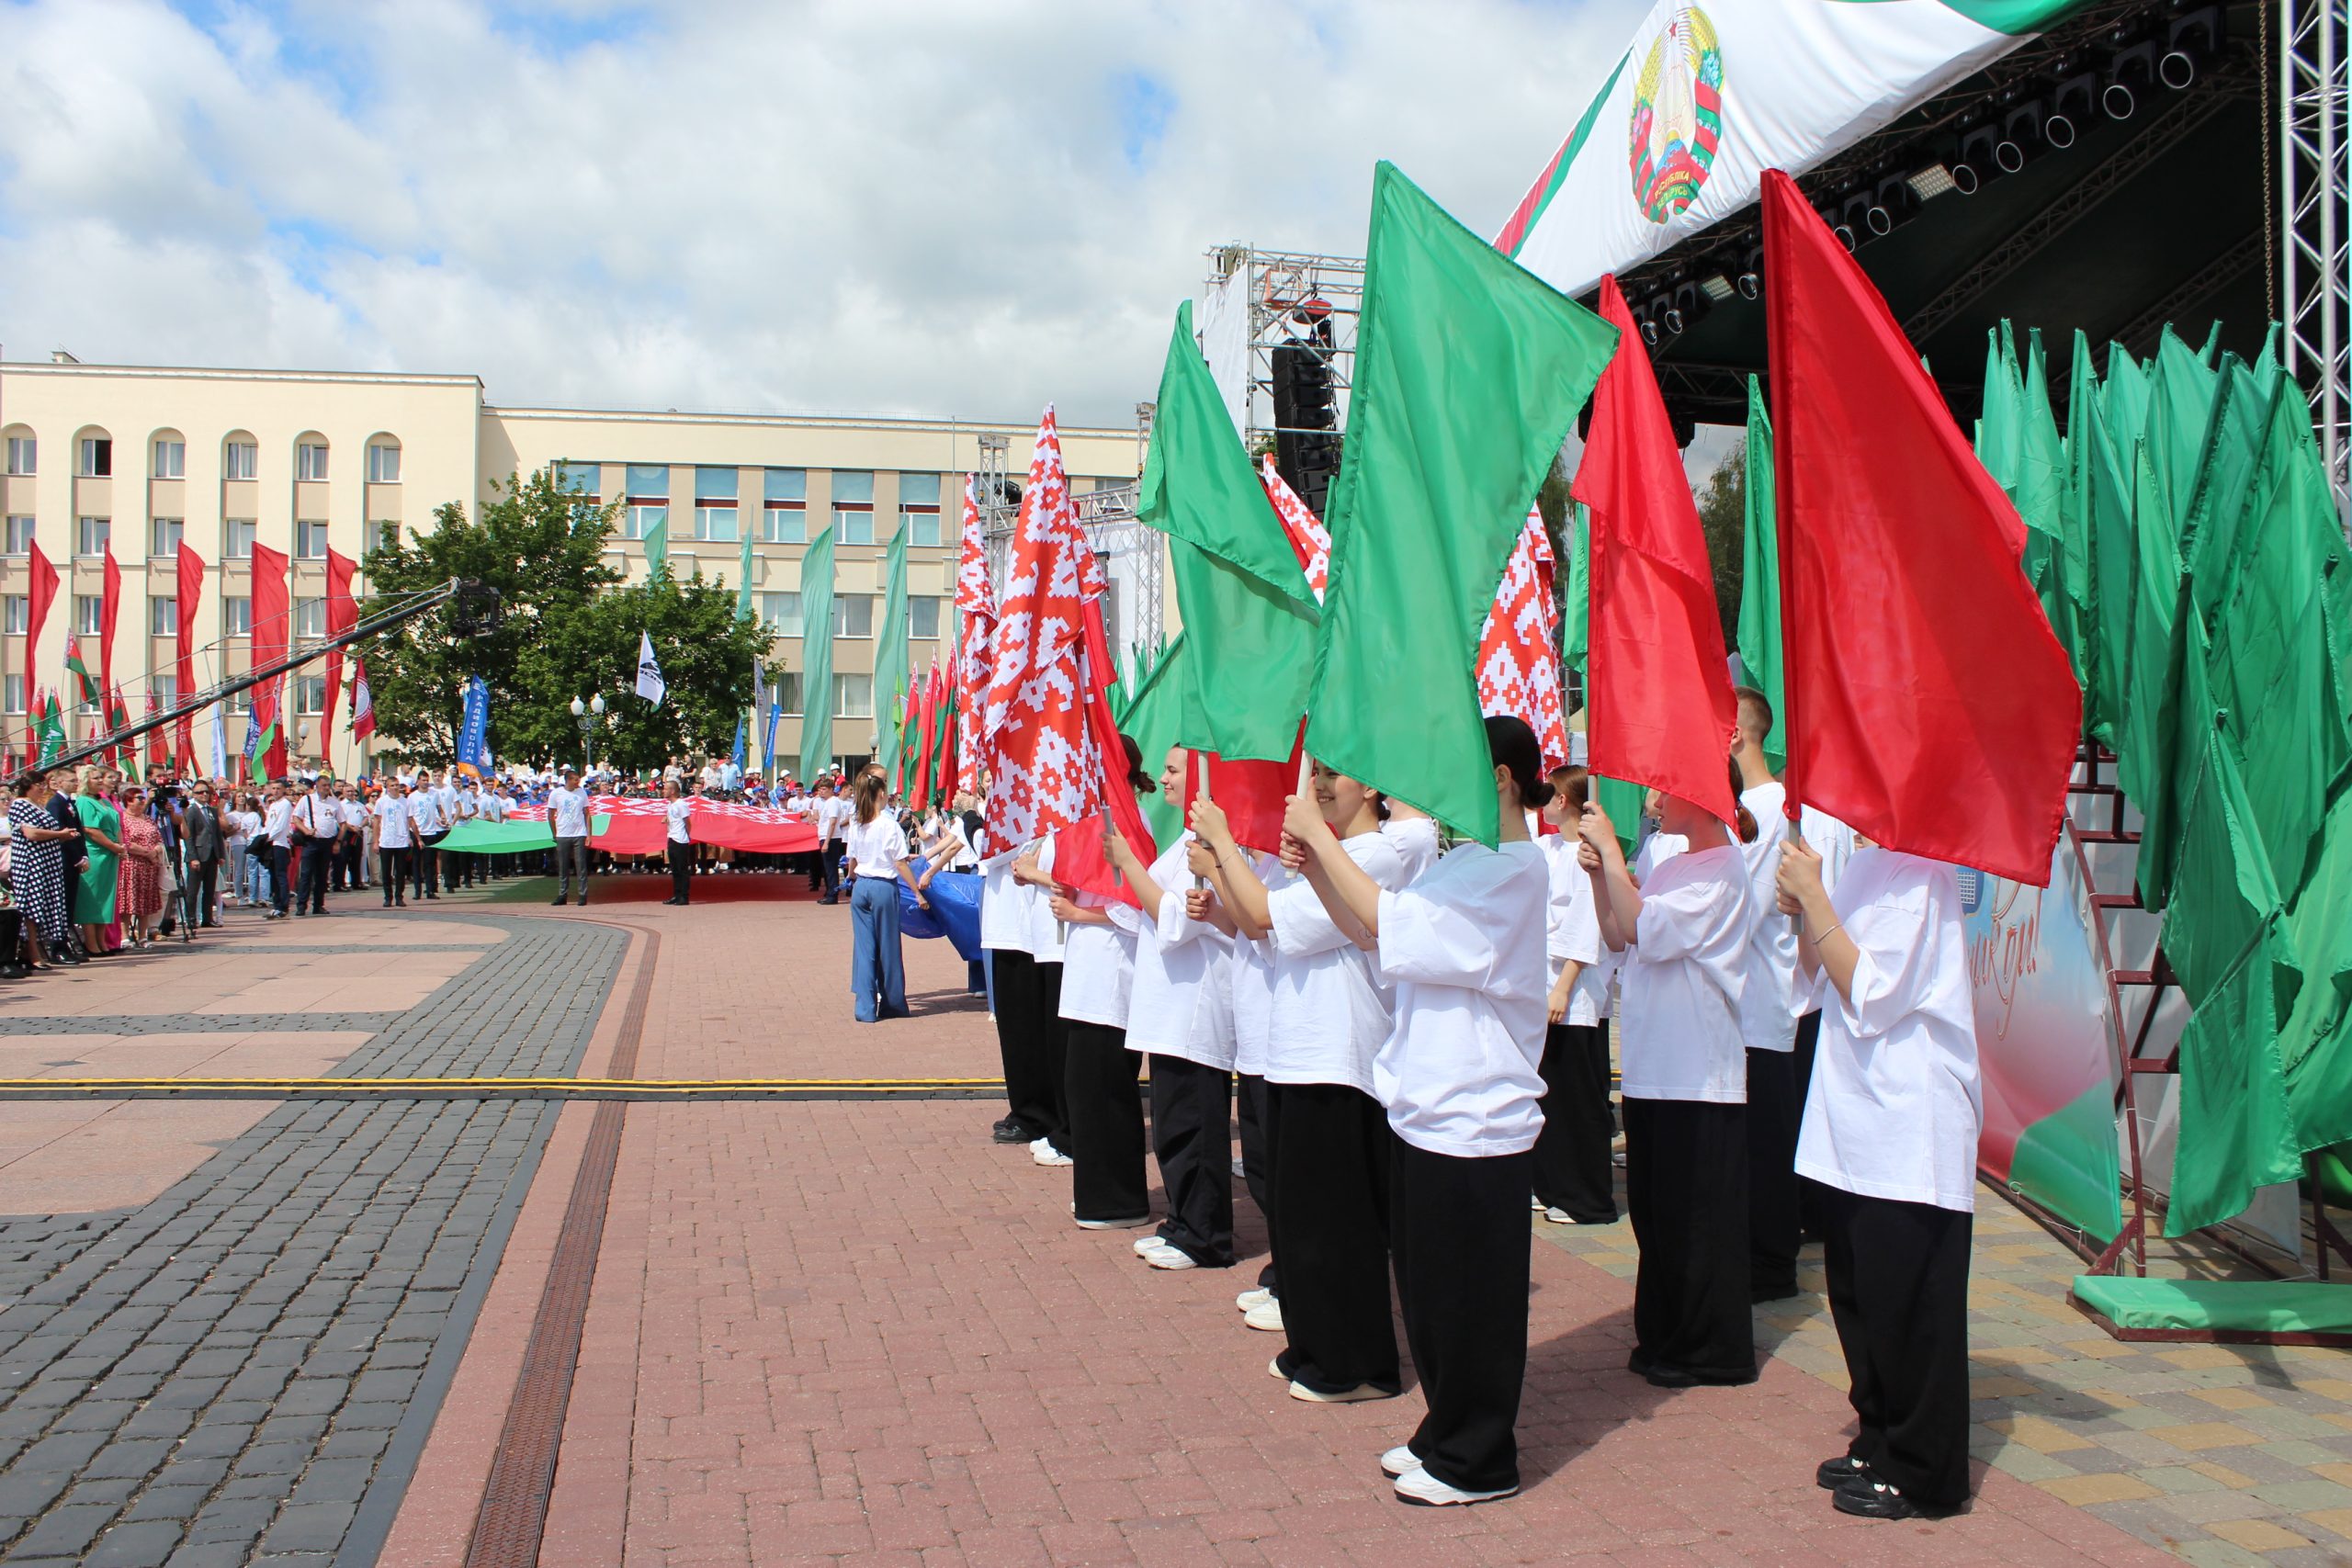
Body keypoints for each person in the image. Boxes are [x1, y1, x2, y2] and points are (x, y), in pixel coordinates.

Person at [1281, 715, 1552, 1506]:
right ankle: (1444, 1429)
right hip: (1425, 1105)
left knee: (1472, 1303)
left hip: (1478, 1115)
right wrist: (1323, 869)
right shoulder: (1460, 861)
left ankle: (1480, 1458)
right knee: (1431, 1295)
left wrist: (1325, 845)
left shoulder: (1517, 867)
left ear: (1500, 778)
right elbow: (1373, 931)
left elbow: (1405, 927)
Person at [1777, 833, 1980, 1521]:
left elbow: (1875, 990)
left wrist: (1814, 898)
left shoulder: (1924, 872)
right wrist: (1803, 912)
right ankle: (1879, 1436)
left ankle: (1925, 1471)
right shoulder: (1864, 865)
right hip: (1853, 1118)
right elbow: (1817, 976)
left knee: (1911, 1307)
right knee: (1861, 1299)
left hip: (1909, 1125)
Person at [1209, 761, 1419, 1402]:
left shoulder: (1377, 855)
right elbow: (1259, 923)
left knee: (1340, 1224)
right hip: (1297, 1050)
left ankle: (1358, 1364)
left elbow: (1269, 915)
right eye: (1317, 772)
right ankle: (1312, 1343)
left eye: (1337, 774)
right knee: (1301, 1218)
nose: (1322, 785)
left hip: (1343, 1056)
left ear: (1375, 784)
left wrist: (1221, 841)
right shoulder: (1327, 853)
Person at [1583, 756, 1758, 1391]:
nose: (1657, 793)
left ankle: (1712, 1347)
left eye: (1670, 783)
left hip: (1698, 1067)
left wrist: (1609, 853)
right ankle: (1664, 1332)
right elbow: (1618, 932)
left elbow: (1647, 925)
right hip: (1653, 1064)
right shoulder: (1665, 858)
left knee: (1698, 1216)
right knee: (1657, 1213)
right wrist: (1604, 877)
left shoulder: (1725, 865)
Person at [1105, 747, 1236, 1273]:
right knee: (1171, 1125)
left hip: (1195, 1008)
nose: (1164, 778)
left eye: (1175, 770)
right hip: (1167, 1007)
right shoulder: (1183, 841)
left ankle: (1207, 1236)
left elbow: (1176, 919)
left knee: (1196, 1127)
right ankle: (1183, 1224)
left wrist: (1129, 864)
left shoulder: (1210, 846)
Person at [1028, 736, 1156, 1230]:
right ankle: (1101, 1195)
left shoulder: (1125, 825)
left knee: (1105, 1091)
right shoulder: (1095, 824)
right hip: (1086, 981)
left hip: (1111, 981)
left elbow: (1134, 906)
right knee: (1086, 1089)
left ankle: (1120, 1199)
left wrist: (1079, 911)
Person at [1732, 688, 1803, 1301]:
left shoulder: (1771, 805)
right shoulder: (1746, 804)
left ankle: (1773, 1263)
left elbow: (1744, 909)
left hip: (1759, 1003)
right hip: (1740, 1006)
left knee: (1765, 1142)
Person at [1533, 766, 1620, 1225]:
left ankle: (1587, 1197)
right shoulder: (1545, 848)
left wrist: (1563, 986)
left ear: (1564, 801)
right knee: (1547, 1094)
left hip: (1574, 989)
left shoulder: (1585, 855)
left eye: (1549, 792)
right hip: (1538, 983)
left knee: (1577, 1098)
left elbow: (1586, 924)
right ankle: (1548, 1184)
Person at [842, 770, 926, 1020]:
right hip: (883, 886)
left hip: (862, 884)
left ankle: (865, 1007)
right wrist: (917, 892)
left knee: (864, 948)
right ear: (880, 794)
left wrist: (851, 878)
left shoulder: (858, 822)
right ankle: (892, 1003)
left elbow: (853, 859)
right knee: (888, 947)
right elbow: (900, 864)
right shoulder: (889, 825)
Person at [10, 773, 75, 966]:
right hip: (32, 863)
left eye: (43, 784)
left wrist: (63, 836)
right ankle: (32, 954)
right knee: (32, 908)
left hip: (47, 863)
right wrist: (59, 834)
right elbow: (31, 833)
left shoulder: (38, 805)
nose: (42, 788)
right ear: (27, 786)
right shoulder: (20, 804)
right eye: (38, 785)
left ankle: (36, 952)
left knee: (46, 906)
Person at [73, 767, 120, 958]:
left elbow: (116, 823)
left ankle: (103, 942)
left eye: (101, 777)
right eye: (96, 778)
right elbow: (90, 829)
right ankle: (91, 943)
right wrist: (113, 846)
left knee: (105, 900)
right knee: (92, 899)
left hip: (109, 853)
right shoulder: (84, 801)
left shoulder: (102, 800)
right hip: (96, 853)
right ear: (86, 780)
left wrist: (119, 846)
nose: (100, 780)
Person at [117, 787, 166, 946]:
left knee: (144, 903)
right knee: (128, 903)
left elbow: (159, 840)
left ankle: (143, 936)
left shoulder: (148, 819)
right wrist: (148, 853)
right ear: (128, 800)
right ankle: (124, 936)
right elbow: (126, 842)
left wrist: (155, 852)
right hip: (130, 864)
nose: (142, 801)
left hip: (149, 866)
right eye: (139, 798)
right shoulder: (122, 819)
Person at [293, 777, 340, 917]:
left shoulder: (334, 802)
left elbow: (342, 822)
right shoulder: (307, 800)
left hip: (327, 842)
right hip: (311, 841)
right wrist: (306, 830)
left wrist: (338, 841)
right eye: (323, 785)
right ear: (317, 786)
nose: (326, 788)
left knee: (322, 875)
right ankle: (301, 905)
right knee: (306, 874)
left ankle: (318, 905)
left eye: (327, 785)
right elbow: (296, 818)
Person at [182, 781, 224, 929]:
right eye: (200, 792)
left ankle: (208, 918)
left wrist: (220, 854)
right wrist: (193, 857)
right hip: (198, 855)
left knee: (209, 889)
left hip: (211, 855)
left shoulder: (212, 811)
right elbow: (189, 836)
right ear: (194, 795)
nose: (204, 795)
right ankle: (191, 918)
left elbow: (217, 834)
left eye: (207, 792)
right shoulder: (191, 811)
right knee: (193, 890)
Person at [549, 766, 593, 905]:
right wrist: (554, 833)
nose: (577, 783)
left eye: (578, 780)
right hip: (563, 833)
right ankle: (562, 895)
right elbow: (550, 815)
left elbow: (587, 813)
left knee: (581, 866)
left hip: (579, 833)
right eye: (575, 780)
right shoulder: (556, 794)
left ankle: (582, 895)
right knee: (563, 866)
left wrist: (589, 834)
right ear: (568, 780)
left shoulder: (582, 793)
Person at [372, 779, 413, 907]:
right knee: (386, 871)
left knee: (400, 871)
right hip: (386, 841)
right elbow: (377, 822)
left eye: (397, 785)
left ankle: (399, 896)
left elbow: (410, 821)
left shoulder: (405, 802)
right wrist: (375, 841)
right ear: (387, 787)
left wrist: (411, 837)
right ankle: (387, 896)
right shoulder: (381, 802)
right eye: (392, 785)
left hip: (401, 840)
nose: (395, 788)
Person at [406, 775, 446, 900]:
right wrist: (417, 837)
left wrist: (443, 817)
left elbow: (440, 809)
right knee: (417, 862)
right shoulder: (412, 797)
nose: (425, 782)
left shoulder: (434, 794)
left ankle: (430, 890)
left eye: (426, 780)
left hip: (431, 832)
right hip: (417, 831)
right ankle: (417, 890)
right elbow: (410, 817)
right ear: (418, 781)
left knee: (430, 863)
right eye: (423, 780)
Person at [260, 779, 296, 920]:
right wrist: (263, 837)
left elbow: (280, 826)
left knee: (281, 875)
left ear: (283, 790)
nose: (275, 791)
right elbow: (269, 824)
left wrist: (268, 837)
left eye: (278, 789)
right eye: (273, 788)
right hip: (271, 844)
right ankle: (276, 905)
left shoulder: (285, 804)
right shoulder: (273, 805)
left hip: (280, 843)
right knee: (273, 875)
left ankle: (283, 906)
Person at [661, 779, 695, 906]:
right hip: (672, 838)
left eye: (666, 789)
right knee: (675, 870)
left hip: (680, 840)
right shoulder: (671, 805)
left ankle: (684, 897)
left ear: (673, 791)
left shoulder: (681, 804)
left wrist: (687, 835)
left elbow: (687, 822)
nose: (663, 791)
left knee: (682, 870)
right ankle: (677, 894)